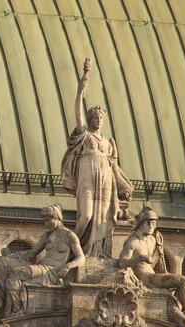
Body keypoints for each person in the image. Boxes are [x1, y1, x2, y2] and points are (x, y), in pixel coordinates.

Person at [61, 58, 132, 257]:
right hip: (87, 174)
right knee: (86, 215)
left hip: (106, 178)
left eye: (101, 118)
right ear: (91, 119)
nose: (99, 121)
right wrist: (81, 88)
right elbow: (78, 112)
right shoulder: (85, 135)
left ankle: (98, 251)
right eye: (96, 118)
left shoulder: (108, 142)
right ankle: (71, 249)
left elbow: (115, 166)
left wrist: (122, 185)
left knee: (104, 218)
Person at [119, 207, 185, 327]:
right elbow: (121, 263)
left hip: (153, 276)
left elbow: (151, 262)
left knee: (182, 282)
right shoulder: (132, 242)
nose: (151, 226)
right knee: (182, 280)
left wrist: (159, 248)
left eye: (153, 223)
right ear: (140, 224)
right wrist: (139, 258)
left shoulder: (152, 240)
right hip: (146, 279)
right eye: (148, 222)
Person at [0, 205, 85, 317]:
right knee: (1, 262)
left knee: (16, 272)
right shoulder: (47, 236)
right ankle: (3, 301)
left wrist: (68, 266)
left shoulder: (69, 235)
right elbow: (31, 253)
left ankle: (15, 310)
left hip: (52, 272)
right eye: (44, 221)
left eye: (47, 221)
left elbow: (81, 257)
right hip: (40, 267)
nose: (45, 224)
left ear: (56, 217)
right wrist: (11, 256)